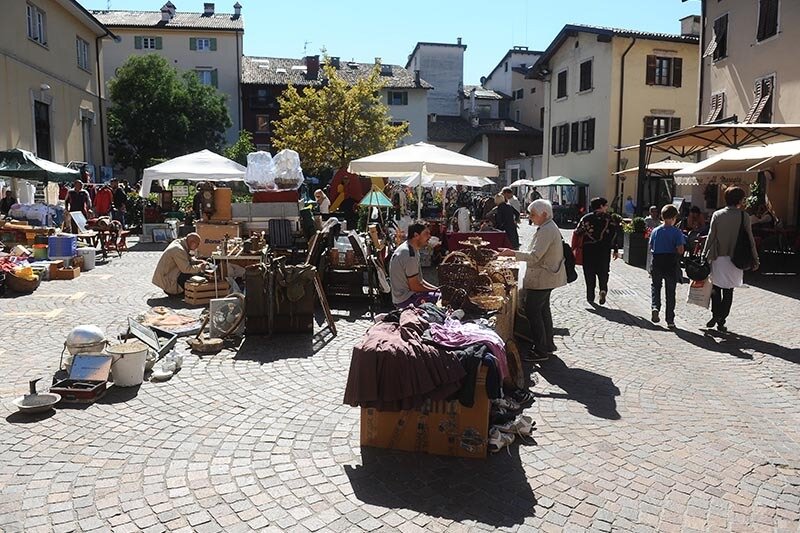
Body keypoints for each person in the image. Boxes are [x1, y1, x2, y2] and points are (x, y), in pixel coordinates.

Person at [499, 199, 566, 362]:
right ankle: (547, 345)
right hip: (546, 276)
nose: (530, 217)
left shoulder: (547, 229)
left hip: (543, 277)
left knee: (533, 311)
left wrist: (512, 254)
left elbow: (535, 256)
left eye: (533, 214)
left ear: (544, 214)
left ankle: (541, 350)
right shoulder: (547, 226)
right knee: (543, 310)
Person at [702, 186, 759, 332]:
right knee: (729, 290)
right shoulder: (743, 216)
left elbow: (711, 236)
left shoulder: (718, 214)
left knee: (715, 288)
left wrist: (704, 254)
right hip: (736, 258)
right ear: (740, 200)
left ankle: (716, 314)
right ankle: (722, 318)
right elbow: (750, 239)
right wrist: (755, 258)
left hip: (718, 256)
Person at [576, 197, 619, 305]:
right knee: (603, 271)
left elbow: (578, 232)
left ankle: (590, 296)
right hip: (604, 250)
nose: (606, 207)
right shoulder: (609, 219)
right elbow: (614, 234)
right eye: (605, 205)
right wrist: (615, 249)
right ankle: (603, 289)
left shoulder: (586, 218)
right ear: (601, 206)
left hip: (588, 250)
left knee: (589, 273)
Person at [649, 205, 686, 328]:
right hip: (670, 261)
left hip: (657, 261)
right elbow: (680, 250)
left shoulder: (655, 231)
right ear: (674, 217)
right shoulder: (676, 232)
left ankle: (655, 307)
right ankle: (670, 319)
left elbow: (651, 247)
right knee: (670, 291)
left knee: (656, 286)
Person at [388, 222, 439, 308]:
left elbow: (420, 281)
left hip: (404, 296)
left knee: (440, 294)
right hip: (405, 299)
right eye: (426, 233)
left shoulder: (411, 249)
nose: (429, 237)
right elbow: (415, 286)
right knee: (442, 299)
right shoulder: (409, 254)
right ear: (416, 235)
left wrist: (437, 289)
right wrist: (437, 291)